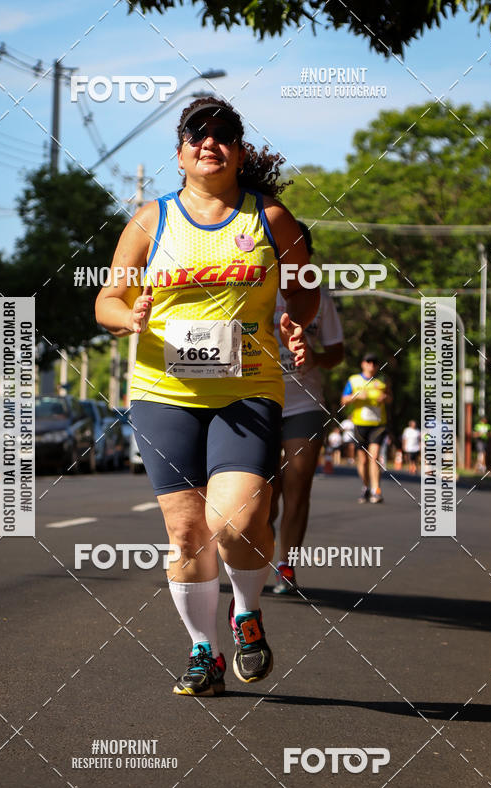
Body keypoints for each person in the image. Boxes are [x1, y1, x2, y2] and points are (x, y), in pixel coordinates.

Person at [95, 97, 319, 696]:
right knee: (188, 532)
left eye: (224, 134)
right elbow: (105, 301)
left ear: (240, 152)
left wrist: (297, 321)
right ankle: (204, 653)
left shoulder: (270, 220)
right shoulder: (149, 220)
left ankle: (246, 612)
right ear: (180, 152)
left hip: (245, 390)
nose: (209, 142)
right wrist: (130, 315)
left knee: (240, 518)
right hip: (162, 393)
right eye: (197, 134)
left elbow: (304, 290)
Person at [270, 222, 344, 594]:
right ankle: (256, 563)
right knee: (262, 500)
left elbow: (337, 352)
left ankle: (286, 566)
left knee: (298, 490)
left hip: (304, 405)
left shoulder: (320, 298)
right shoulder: (256, 293)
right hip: (258, 402)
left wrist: (316, 357)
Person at [340, 353, 391, 504]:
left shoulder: (382, 380)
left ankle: (376, 489)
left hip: (378, 424)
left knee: (374, 457)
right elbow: (344, 400)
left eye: (375, 363)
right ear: (363, 364)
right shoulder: (354, 380)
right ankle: (366, 486)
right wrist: (356, 396)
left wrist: (385, 398)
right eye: (368, 362)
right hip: (360, 424)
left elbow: (390, 398)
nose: (372, 365)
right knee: (362, 460)